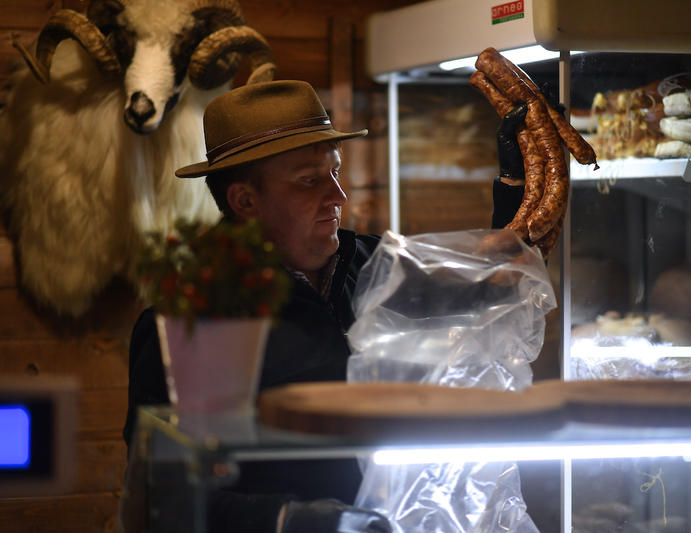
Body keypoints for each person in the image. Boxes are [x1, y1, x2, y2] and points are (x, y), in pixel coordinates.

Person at [122, 80, 528, 533]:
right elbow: (164, 499)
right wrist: (287, 519)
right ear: (245, 201)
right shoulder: (190, 322)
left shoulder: (375, 265)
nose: (338, 196)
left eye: (334, 173)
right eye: (309, 181)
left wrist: (517, 183)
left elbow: (495, 290)